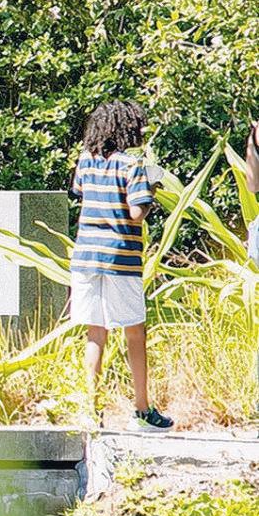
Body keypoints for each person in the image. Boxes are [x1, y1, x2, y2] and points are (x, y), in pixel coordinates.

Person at [68, 100, 173, 432]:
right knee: (134, 332)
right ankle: (142, 410)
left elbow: (81, 192)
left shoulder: (85, 160)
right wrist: (151, 189)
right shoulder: (132, 165)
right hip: (120, 258)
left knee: (95, 332)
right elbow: (136, 213)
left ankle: (91, 410)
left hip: (86, 256)